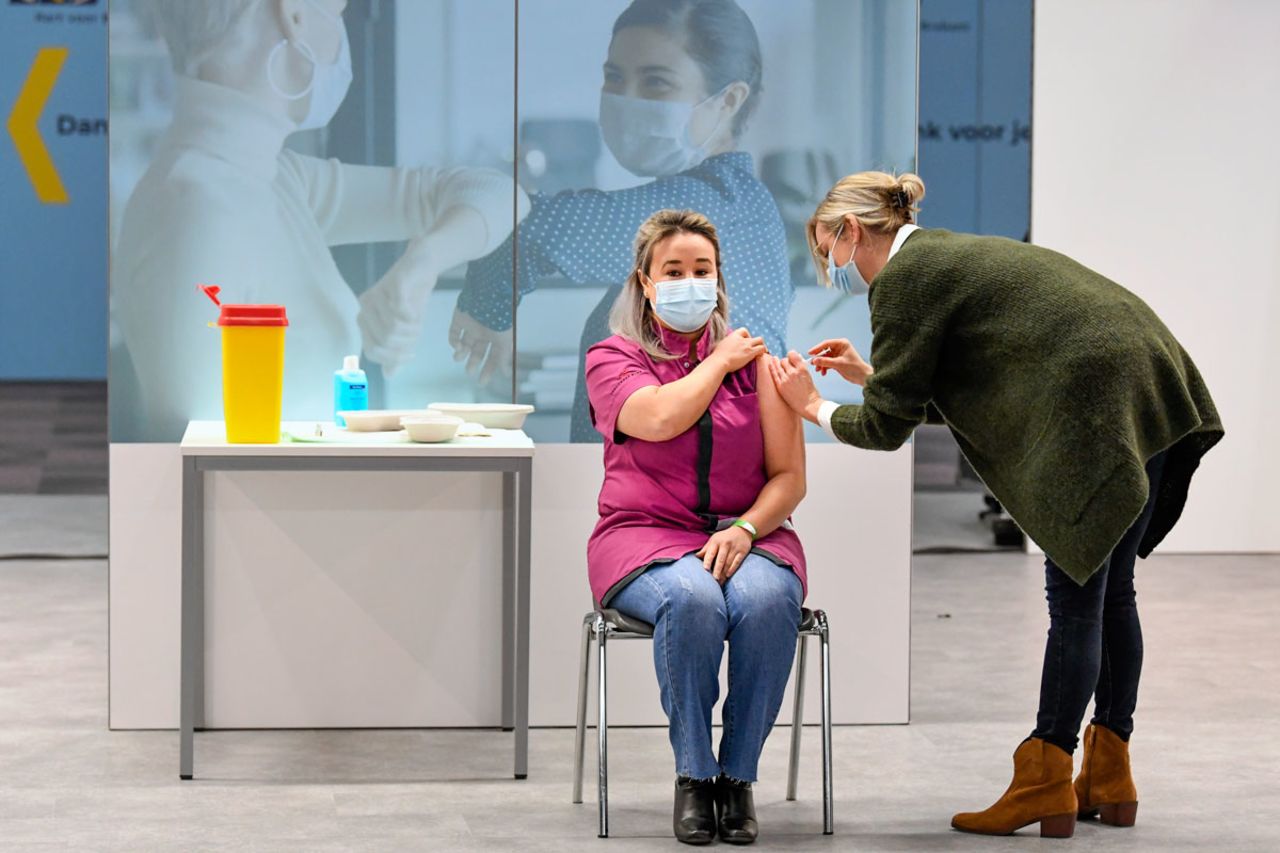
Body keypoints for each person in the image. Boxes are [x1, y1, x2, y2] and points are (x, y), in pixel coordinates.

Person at [769, 171, 1223, 839]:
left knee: (1074, 595)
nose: (832, 265)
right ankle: (1109, 770)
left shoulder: (903, 279)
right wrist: (870, 375)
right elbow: (955, 376)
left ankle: (1047, 773)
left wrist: (811, 405)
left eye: (825, 249)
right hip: (1150, 376)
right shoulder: (942, 253)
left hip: (1095, 401)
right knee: (1114, 591)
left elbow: (886, 428)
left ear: (851, 231)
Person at [113, 0, 527, 440]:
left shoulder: (269, 177)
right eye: (338, 9)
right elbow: (210, 460)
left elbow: (501, 194)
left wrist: (423, 261)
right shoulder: (197, 208)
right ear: (292, 15)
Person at [452, 0, 792, 442]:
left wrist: (486, 307)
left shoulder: (717, 203)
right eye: (615, 78)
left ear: (728, 100)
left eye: (655, 82)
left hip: (691, 505)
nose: (628, 100)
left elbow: (532, 229)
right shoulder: (743, 203)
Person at [585, 209, 806, 845]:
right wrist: (716, 363)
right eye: (673, 271)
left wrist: (745, 530)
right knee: (692, 596)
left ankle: (737, 778)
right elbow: (656, 419)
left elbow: (790, 477)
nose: (689, 282)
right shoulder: (613, 357)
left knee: (766, 600)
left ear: (718, 278)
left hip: (749, 534)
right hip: (643, 536)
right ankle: (694, 774)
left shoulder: (759, 366)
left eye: (701, 270)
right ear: (646, 284)